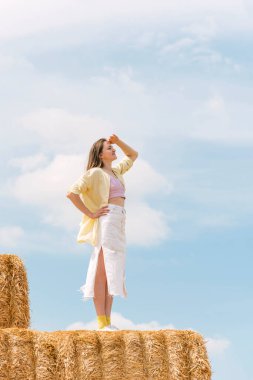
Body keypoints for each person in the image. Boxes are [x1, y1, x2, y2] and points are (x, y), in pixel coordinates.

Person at [66, 134, 138, 331]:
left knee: (112, 271)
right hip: (106, 220)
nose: (114, 150)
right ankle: (101, 322)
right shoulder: (95, 173)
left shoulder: (116, 172)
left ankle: (107, 321)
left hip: (119, 220)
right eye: (109, 148)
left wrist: (118, 141)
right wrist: (90, 213)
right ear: (100, 155)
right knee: (102, 271)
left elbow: (133, 155)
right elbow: (72, 193)